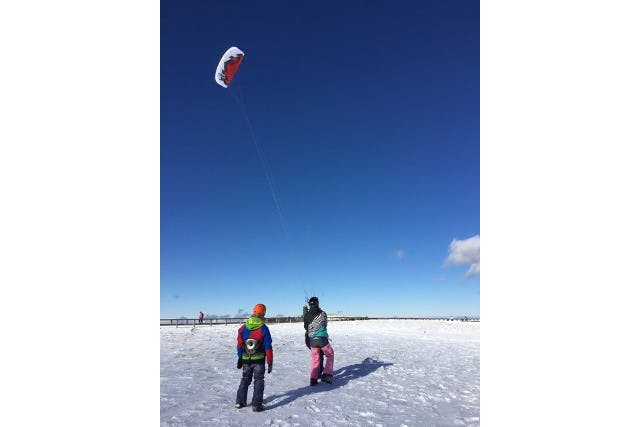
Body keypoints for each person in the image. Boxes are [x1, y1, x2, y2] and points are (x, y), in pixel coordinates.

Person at [235, 303, 273, 412]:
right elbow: (268, 346)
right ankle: (256, 405)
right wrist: (270, 362)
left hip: (246, 359)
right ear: (263, 314)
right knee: (259, 380)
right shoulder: (264, 328)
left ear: (253, 312)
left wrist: (240, 357)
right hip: (259, 360)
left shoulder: (243, 328)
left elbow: (239, 344)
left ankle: (240, 401)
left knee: (245, 379)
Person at [303, 296, 334, 385]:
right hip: (322, 339)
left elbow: (306, 327)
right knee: (330, 354)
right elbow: (325, 324)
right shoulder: (323, 313)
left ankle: (313, 379)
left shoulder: (307, 315)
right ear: (317, 303)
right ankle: (327, 374)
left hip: (312, 339)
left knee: (315, 359)